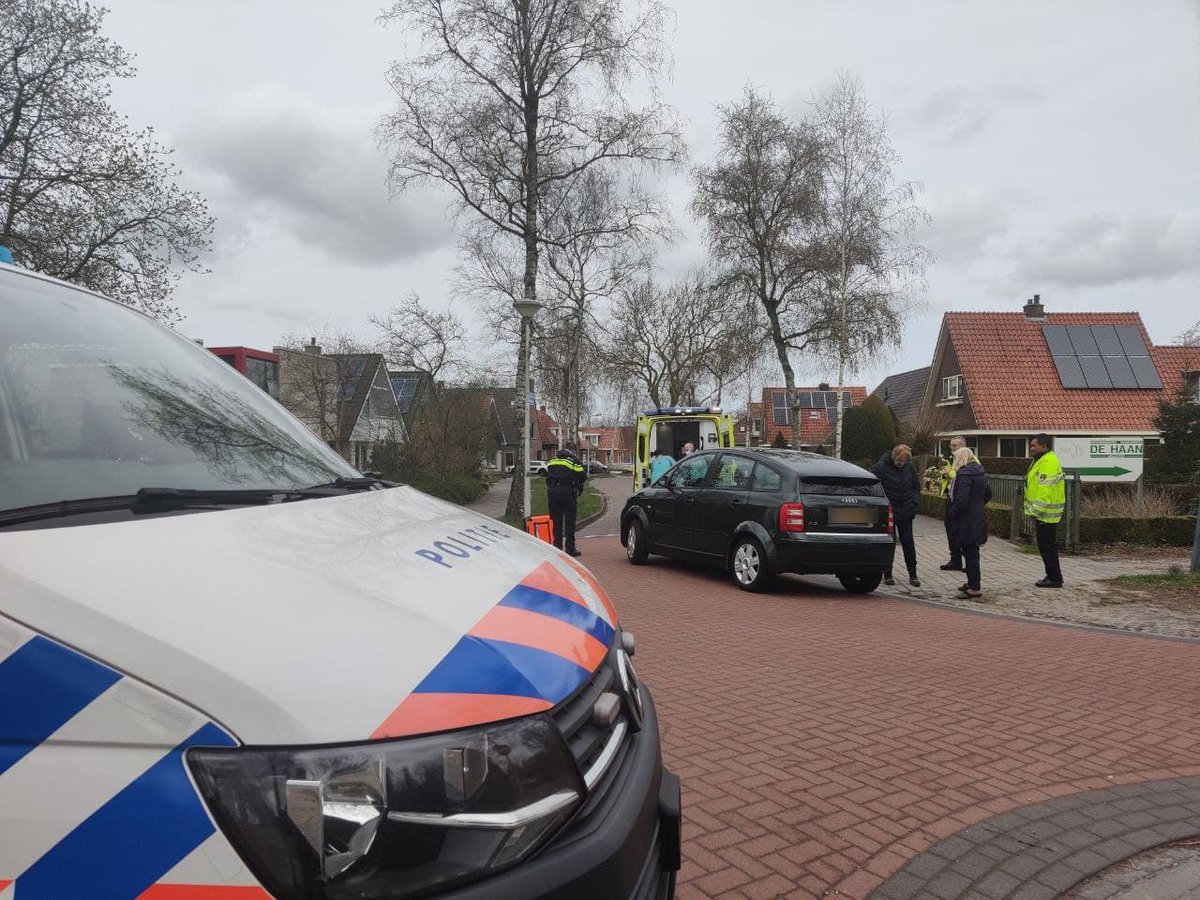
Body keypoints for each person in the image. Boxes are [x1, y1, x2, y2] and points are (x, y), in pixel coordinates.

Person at [872, 444, 921, 587]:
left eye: (904, 462)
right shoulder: (881, 467)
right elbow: (874, 486)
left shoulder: (910, 467)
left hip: (906, 511)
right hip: (889, 512)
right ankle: (887, 574)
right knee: (889, 543)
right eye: (899, 461)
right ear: (893, 457)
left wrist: (914, 503)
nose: (901, 465)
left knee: (908, 543)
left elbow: (916, 487)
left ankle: (913, 575)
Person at [947, 446, 988, 600]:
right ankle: (972, 582)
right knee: (972, 552)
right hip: (978, 516)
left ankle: (974, 587)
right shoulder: (980, 472)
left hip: (966, 520)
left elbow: (961, 500)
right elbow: (988, 494)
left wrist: (953, 513)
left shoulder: (964, 474)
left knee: (970, 553)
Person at [1025, 433, 1065, 588]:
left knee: (1047, 547)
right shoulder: (1042, 460)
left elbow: (1045, 490)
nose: (1031, 448)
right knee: (1046, 546)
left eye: (1034, 445)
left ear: (1044, 446)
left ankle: (1054, 578)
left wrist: (1035, 511)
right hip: (1045, 513)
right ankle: (1053, 576)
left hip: (1046, 514)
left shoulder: (1048, 462)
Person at [544, 444, 588, 557]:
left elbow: (547, 477)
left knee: (556, 521)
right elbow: (582, 476)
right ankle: (570, 549)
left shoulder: (552, 461)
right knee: (569, 522)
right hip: (567, 492)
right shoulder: (573, 461)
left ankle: (557, 548)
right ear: (572, 451)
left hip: (553, 492)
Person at [939, 436, 968, 570]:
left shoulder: (969, 460)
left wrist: (950, 473)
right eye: (951, 445)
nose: (951, 448)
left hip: (961, 501)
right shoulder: (952, 459)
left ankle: (969, 562)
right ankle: (955, 560)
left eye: (954, 445)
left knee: (962, 532)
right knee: (951, 530)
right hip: (951, 498)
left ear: (963, 446)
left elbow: (962, 477)